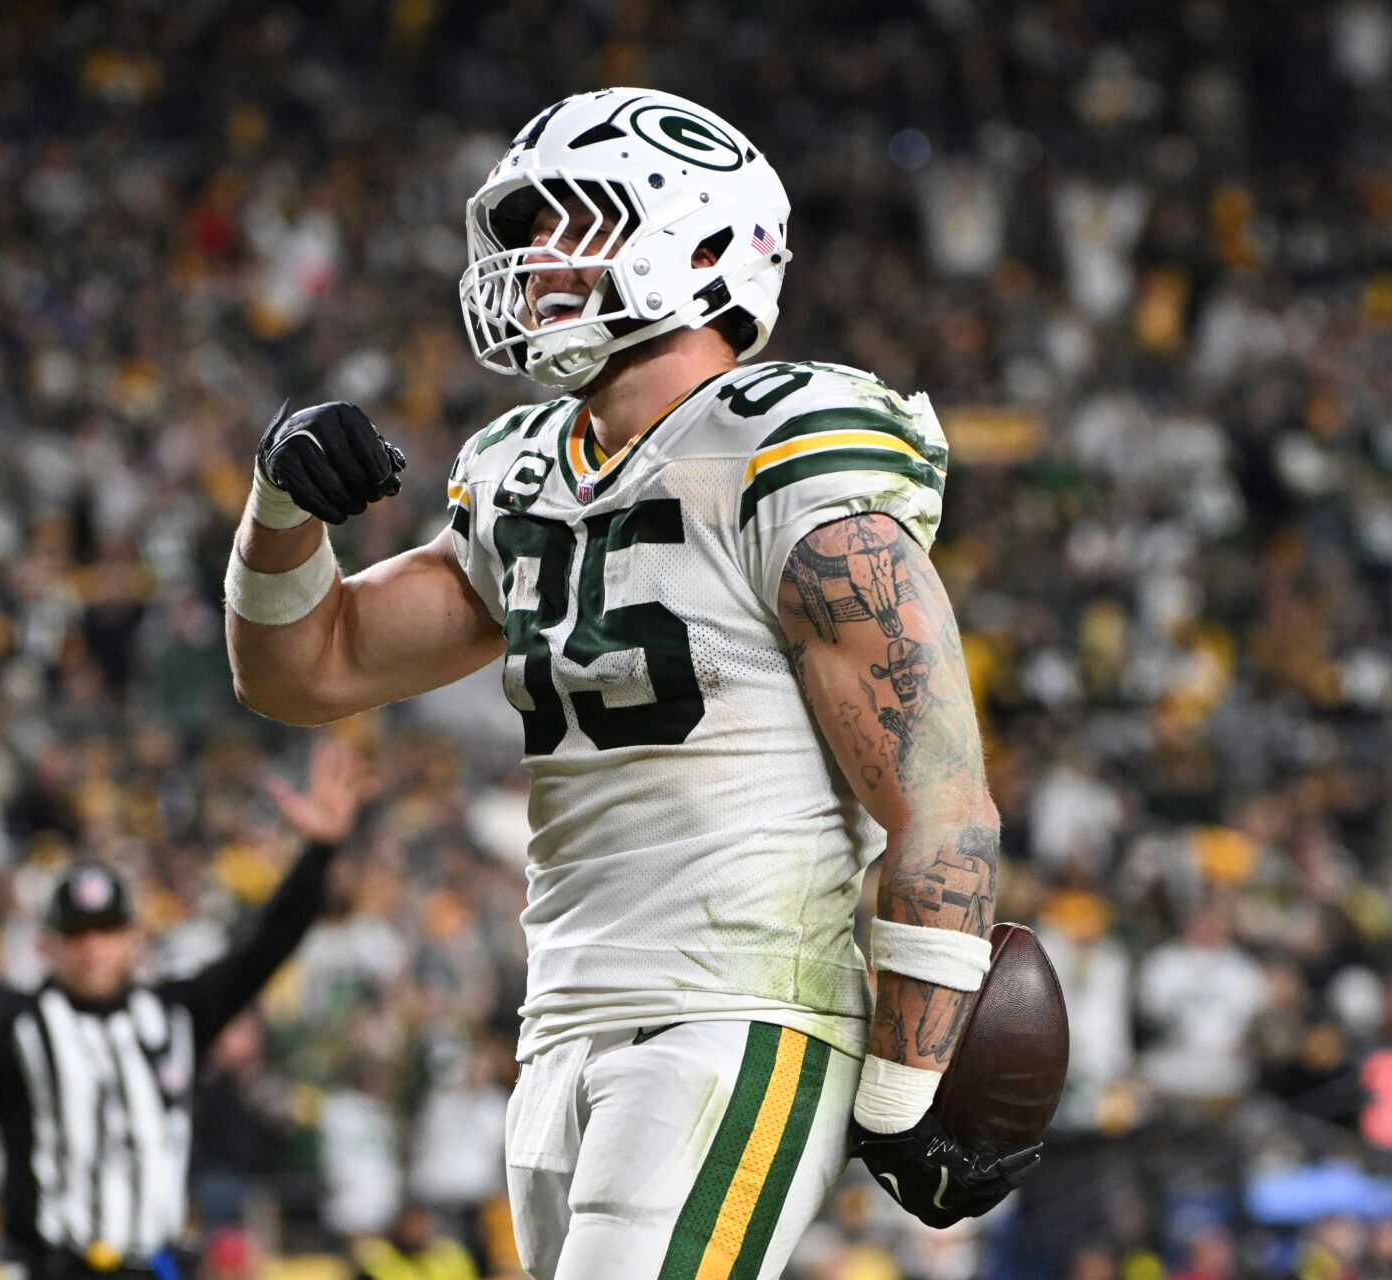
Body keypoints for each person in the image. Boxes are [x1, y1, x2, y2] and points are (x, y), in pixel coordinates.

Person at [224, 87, 1038, 1278]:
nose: (534, 261)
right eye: (524, 230)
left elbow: (944, 806)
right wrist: (284, 510)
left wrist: (908, 1087)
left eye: (573, 223)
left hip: (740, 1005)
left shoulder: (787, 449)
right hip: (565, 1018)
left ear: (700, 238)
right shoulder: (523, 473)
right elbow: (306, 668)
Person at [0, 740, 367, 1280]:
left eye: (107, 931)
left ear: (134, 938)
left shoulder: (177, 1015)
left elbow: (262, 949)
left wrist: (319, 853)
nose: (93, 948)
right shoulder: (17, 1028)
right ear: (47, 944)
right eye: (77, 933)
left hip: (150, 1266)